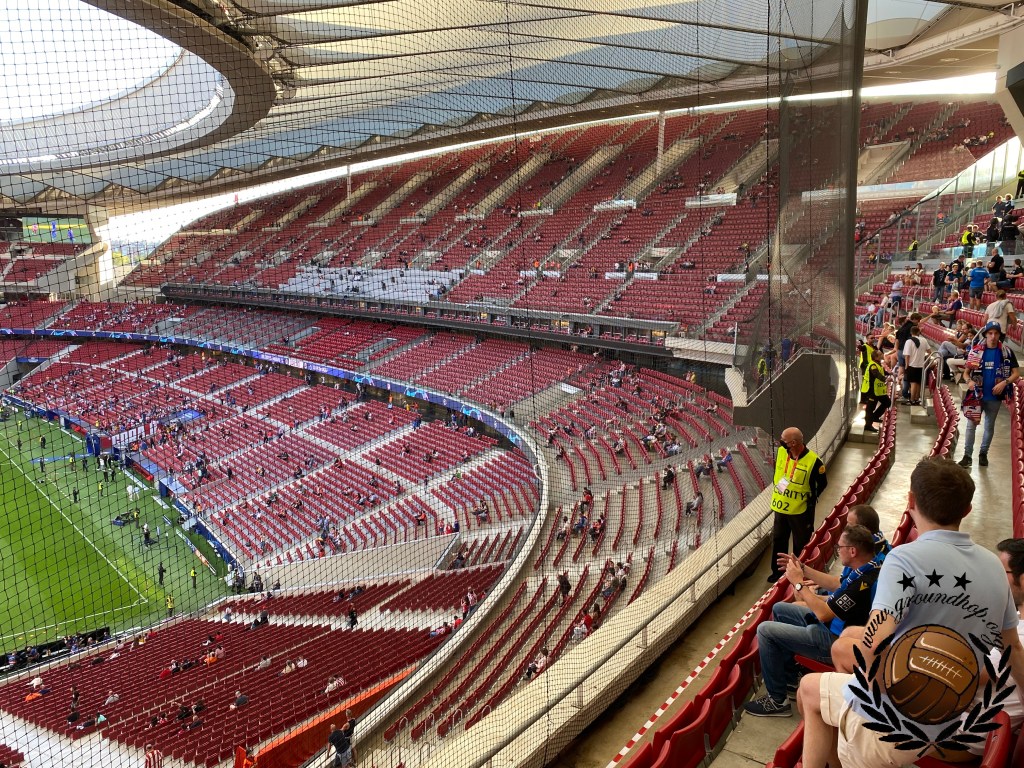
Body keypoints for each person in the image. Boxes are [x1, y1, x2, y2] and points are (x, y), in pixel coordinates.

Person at [798, 457, 1024, 768]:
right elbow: (1014, 651)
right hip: (952, 713)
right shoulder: (993, 566)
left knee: (809, 689)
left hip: (906, 722)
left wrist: (872, 695)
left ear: (911, 501)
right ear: (967, 510)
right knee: (822, 691)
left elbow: (873, 644)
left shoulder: (903, 559)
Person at [743, 525, 879, 717]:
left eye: (840, 547)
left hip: (834, 640)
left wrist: (799, 584)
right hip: (833, 626)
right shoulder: (866, 568)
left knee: (765, 630)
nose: (837, 549)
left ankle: (777, 700)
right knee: (780, 609)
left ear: (852, 551)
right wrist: (803, 569)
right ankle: (790, 679)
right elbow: (838, 588)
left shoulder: (863, 583)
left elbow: (823, 614)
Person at [767, 428, 827, 581]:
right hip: (781, 507)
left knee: (800, 544)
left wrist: (810, 499)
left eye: (784, 439)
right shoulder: (782, 452)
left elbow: (822, 483)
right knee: (779, 541)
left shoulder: (814, 461)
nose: (780, 441)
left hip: (800, 511)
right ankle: (777, 573)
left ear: (793, 443)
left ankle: (798, 574)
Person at [958, 320, 1020, 468]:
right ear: (985, 334)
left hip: (995, 397)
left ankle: (983, 454)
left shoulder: (1006, 352)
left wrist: (1004, 383)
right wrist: (969, 381)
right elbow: (966, 373)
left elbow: (1016, 373)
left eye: (996, 333)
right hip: (976, 395)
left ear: (999, 335)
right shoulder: (976, 351)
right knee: (971, 426)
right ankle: (967, 456)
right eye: (990, 333)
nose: (993, 336)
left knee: (989, 426)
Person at [860, 346, 889, 433]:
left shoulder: (878, 364)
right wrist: (885, 379)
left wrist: (890, 373)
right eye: (880, 354)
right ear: (876, 357)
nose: (882, 354)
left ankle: (875, 417)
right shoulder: (873, 365)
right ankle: (868, 425)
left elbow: (881, 372)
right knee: (870, 408)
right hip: (871, 390)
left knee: (887, 402)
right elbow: (876, 374)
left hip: (878, 391)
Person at [900, 325, 928, 406]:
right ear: (919, 332)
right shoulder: (924, 340)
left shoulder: (909, 341)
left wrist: (906, 365)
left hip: (912, 365)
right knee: (918, 383)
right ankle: (917, 399)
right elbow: (929, 351)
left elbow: (907, 355)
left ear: (911, 332)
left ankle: (912, 400)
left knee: (913, 383)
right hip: (921, 365)